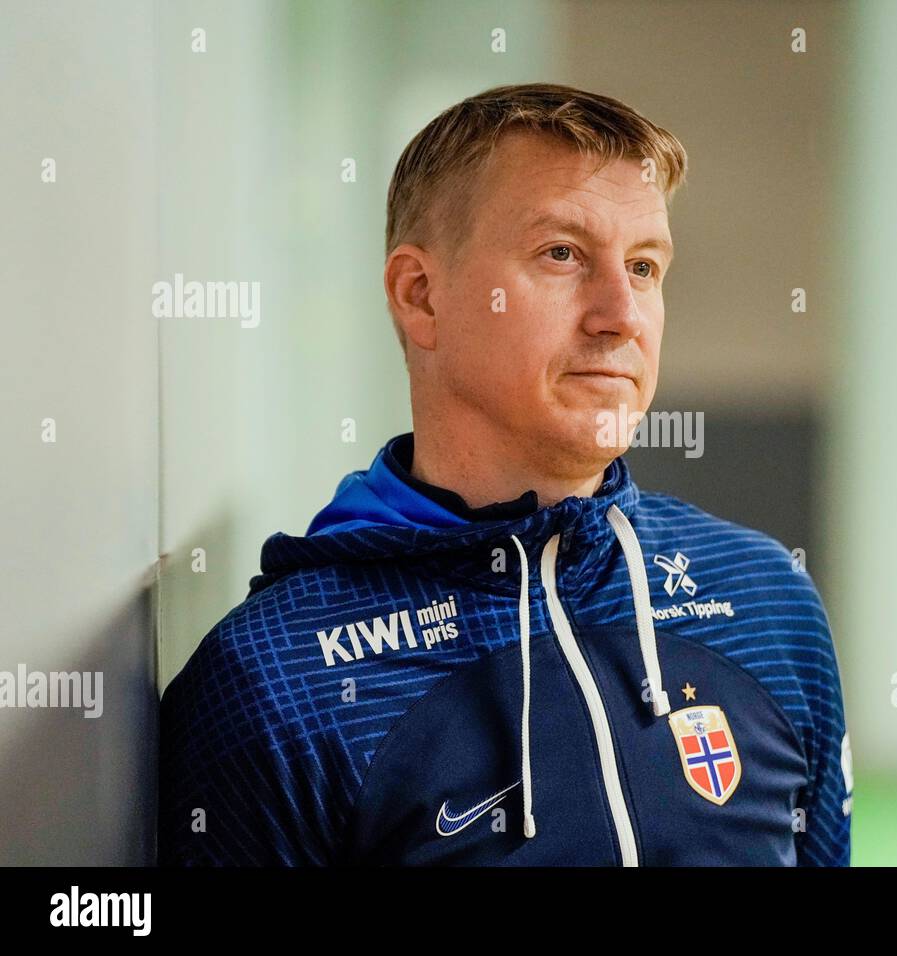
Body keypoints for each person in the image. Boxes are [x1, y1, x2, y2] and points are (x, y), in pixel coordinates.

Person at [159, 82, 853, 865]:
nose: (621, 313)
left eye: (645, 266)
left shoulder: (768, 599)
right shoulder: (276, 680)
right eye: (562, 255)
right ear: (421, 297)